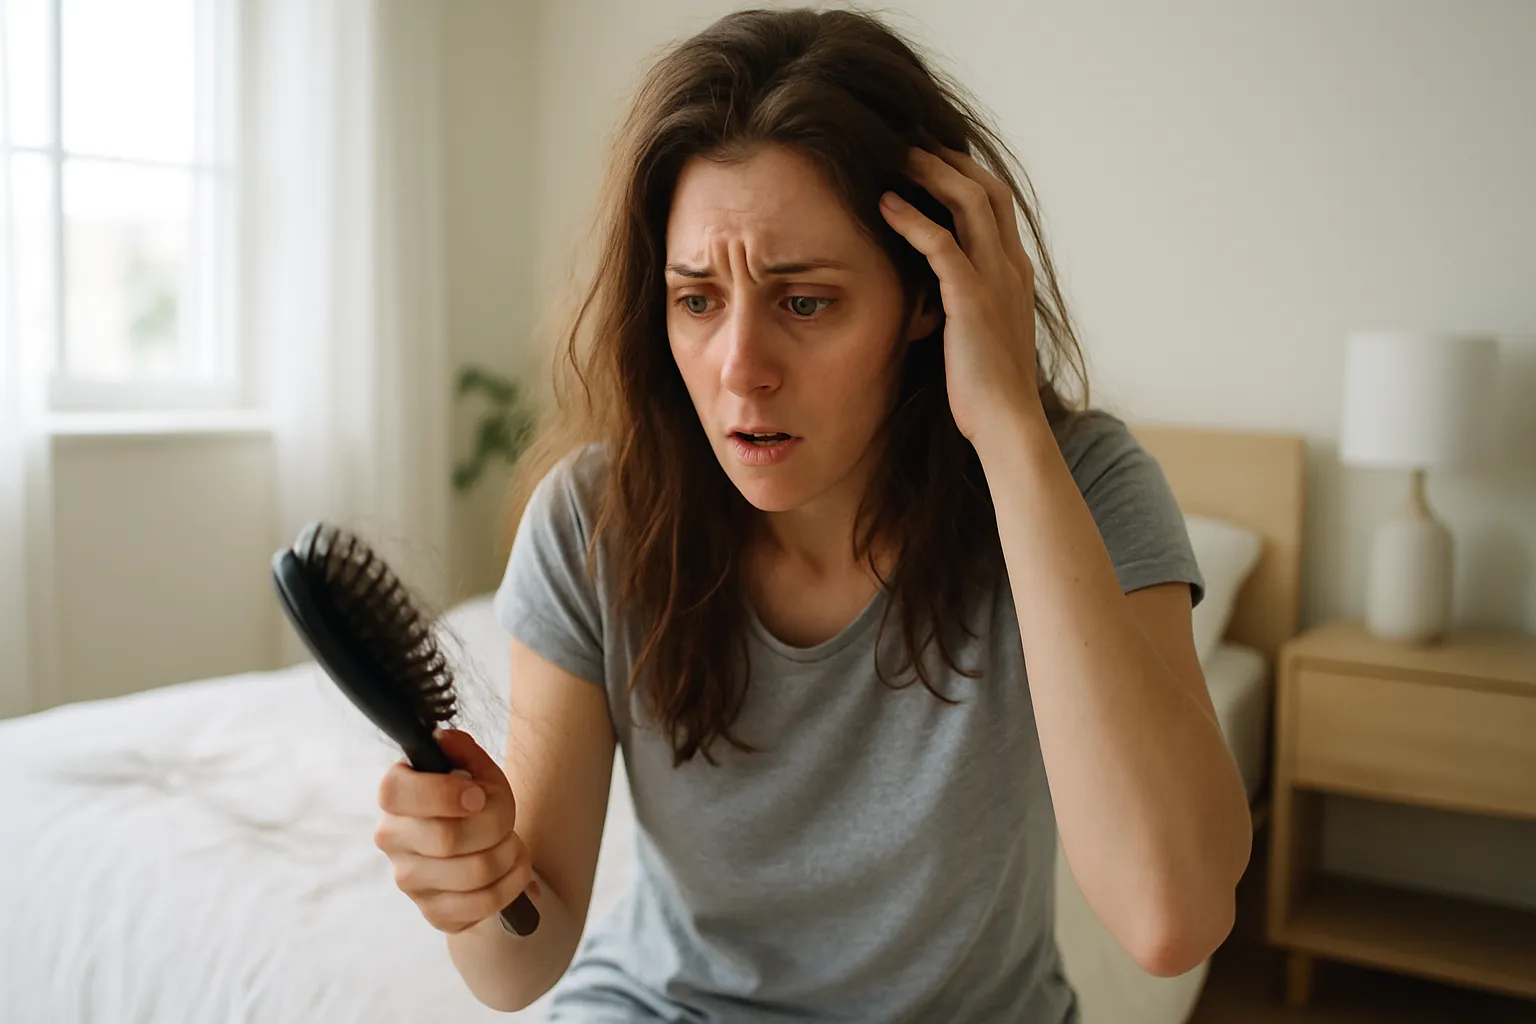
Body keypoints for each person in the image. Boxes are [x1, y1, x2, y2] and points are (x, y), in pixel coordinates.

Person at [372, 7, 1252, 1021]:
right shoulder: (595, 521)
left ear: (930, 299)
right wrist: (474, 886)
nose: (741, 370)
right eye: (697, 300)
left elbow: (1169, 916)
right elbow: (518, 967)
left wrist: (1009, 425)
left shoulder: (1081, 486)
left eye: (805, 301)